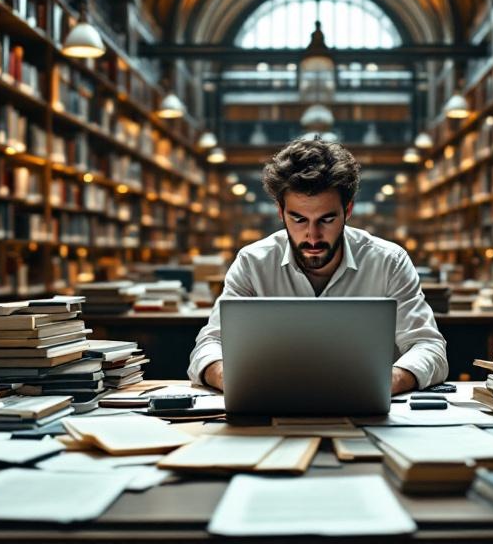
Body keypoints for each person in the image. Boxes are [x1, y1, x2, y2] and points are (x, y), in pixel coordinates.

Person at [187, 138, 447, 395]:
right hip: (270, 408)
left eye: (327, 219)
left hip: (366, 411)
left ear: (348, 210)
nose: (312, 235)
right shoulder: (252, 262)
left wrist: (389, 381)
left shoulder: (388, 261)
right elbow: (209, 344)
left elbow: (429, 347)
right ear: (281, 212)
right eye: (298, 219)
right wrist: (229, 378)